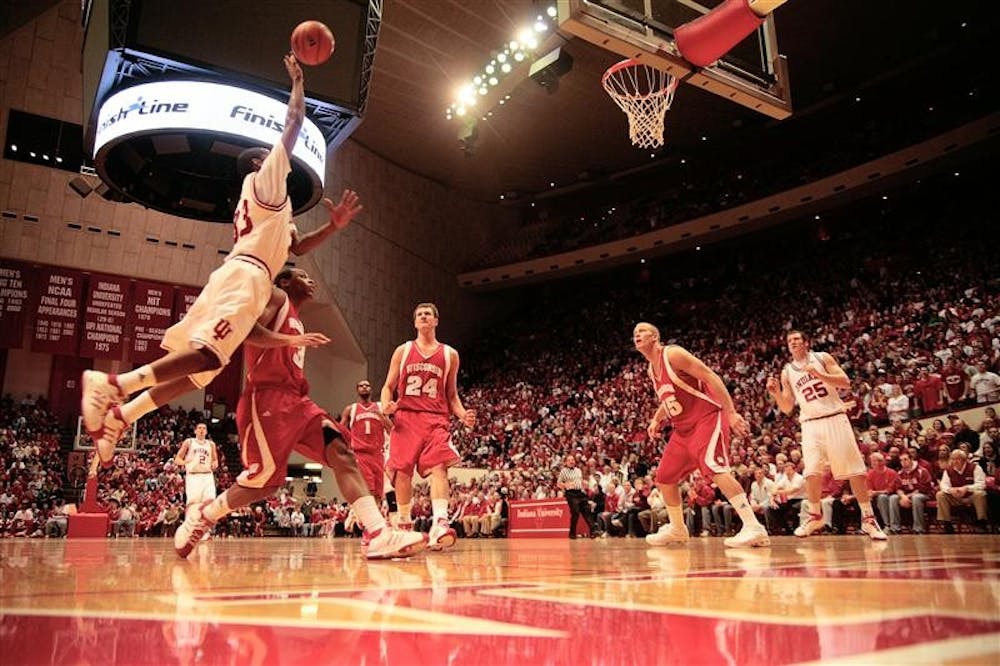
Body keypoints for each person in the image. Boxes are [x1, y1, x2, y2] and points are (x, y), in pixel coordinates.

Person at [80, 53, 362, 466]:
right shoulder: (263, 180)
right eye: (267, 154)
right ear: (255, 162)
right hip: (246, 276)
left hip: (241, 273)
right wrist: (298, 84)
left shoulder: (276, 211)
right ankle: (113, 384)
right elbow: (294, 123)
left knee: (195, 373)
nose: (275, 155)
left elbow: (297, 248)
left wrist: (333, 227)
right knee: (211, 357)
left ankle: (123, 415)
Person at [173, 268, 424, 560]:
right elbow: (244, 329)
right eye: (301, 275)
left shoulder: (298, 319)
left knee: (341, 452)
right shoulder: (277, 297)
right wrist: (288, 341)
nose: (310, 280)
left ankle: (378, 533)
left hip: (299, 402)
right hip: (267, 399)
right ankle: (205, 514)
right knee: (265, 483)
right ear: (284, 282)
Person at [632, 322, 770, 549]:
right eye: (635, 333)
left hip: (706, 418)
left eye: (642, 331)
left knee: (715, 469)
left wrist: (731, 413)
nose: (637, 335)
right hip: (682, 429)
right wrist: (657, 418)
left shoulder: (673, 354)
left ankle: (753, 527)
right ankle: (677, 529)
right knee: (665, 477)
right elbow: (669, 399)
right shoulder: (651, 369)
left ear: (655, 337)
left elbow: (709, 375)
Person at [766, 330, 887, 540]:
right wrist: (776, 393)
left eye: (796, 339)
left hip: (834, 417)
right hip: (810, 423)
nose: (792, 343)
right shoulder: (787, 372)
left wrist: (820, 375)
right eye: (789, 341)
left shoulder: (822, 358)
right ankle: (815, 516)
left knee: (855, 471)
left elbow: (845, 382)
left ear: (806, 342)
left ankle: (868, 519)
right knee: (811, 472)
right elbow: (786, 407)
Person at [380, 303, 476, 550]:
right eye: (419, 314)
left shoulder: (449, 354)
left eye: (428, 314)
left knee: (440, 467)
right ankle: (403, 524)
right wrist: (386, 405)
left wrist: (463, 414)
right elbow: (388, 386)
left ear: (436, 321)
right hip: (406, 418)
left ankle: (440, 523)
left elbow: (452, 395)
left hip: (435, 419)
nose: (423, 317)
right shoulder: (403, 351)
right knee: (402, 472)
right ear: (415, 323)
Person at [340, 380, 396, 517]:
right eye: (361, 386)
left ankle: (370, 521)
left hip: (378, 454)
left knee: (378, 493)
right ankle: (367, 522)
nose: (364, 387)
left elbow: (392, 430)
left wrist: (383, 418)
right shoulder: (351, 409)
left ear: (371, 389)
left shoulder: (380, 407)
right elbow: (341, 430)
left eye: (367, 385)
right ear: (357, 390)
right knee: (368, 490)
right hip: (360, 454)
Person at [173, 423, 219, 522]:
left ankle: (205, 530)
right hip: (193, 476)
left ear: (206, 432)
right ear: (195, 431)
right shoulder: (189, 442)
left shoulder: (211, 444)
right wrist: (185, 462)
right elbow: (177, 459)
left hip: (207, 475)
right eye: (199, 428)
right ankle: (190, 527)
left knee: (210, 501)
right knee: (193, 503)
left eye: (204, 428)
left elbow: (215, 460)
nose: (201, 430)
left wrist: (215, 464)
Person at [889, 451, 934, 534]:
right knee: (893, 498)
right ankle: (895, 528)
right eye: (901, 460)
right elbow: (898, 488)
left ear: (911, 459)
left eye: (905, 459)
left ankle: (918, 528)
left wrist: (907, 497)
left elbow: (923, 488)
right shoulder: (900, 473)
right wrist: (903, 497)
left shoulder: (922, 471)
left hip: (924, 494)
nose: (903, 462)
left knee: (916, 498)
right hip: (907, 495)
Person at [557, 454, 599, 538]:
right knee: (575, 512)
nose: (571, 461)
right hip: (571, 494)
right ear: (566, 462)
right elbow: (558, 484)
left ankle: (593, 531)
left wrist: (584, 483)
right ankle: (572, 533)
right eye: (569, 460)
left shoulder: (578, 470)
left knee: (587, 510)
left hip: (580, 492)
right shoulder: (563, 471)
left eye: (572, 460)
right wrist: (566, 485)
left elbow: (579, 480)